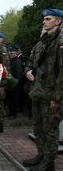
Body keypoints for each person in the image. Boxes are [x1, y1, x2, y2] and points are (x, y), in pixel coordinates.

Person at [22, 9, 63, 171]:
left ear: (58, 21)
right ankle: (41, 155)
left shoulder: (60, 42)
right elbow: (30, 63)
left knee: (50, 130)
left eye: (48, 19)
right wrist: (28, 72)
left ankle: (49, 163)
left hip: (52, 96)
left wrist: (57, 98)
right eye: (44, 19)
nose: (44, 21)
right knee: (38, 128)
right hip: (37, 92)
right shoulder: (41, 42)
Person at [5, 46, 23, 119]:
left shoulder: (17, 62)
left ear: (16, 53)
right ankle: (10, 113)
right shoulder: (11, 61)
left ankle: (13, 114)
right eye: (10, 53)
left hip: (15, 84)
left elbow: (18, 74)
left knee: (14, 100)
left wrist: (15, 84)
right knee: (9, 100)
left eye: (12, 53)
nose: (11, 54)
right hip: (10, 83)